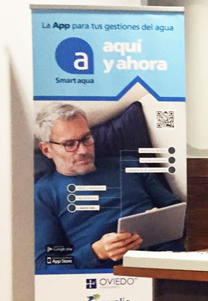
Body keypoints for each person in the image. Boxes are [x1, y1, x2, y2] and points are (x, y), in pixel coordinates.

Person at [34, 103, 183, 272]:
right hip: (110, 275)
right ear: (47, 150)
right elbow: (44, 265)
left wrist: (160, 220)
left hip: (169, 260)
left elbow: (179, 213)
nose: (83, 150)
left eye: (86, 138)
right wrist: (96, 252)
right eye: (69, 144)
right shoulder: (43, 193)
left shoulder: (130, 165)